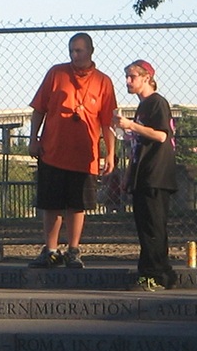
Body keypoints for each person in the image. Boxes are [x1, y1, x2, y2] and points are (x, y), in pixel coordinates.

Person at [27, 32, 118, 269]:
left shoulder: (103, 82)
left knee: (77, 205)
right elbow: (39, 109)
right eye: (71, 51)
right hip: (53, 149)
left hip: (84, 154)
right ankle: (51, 250)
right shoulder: (56, 73)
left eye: (79, 50)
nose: (74, 55)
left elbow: (107, 121)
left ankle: (73, 250)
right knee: (51, 204)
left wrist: (110, 153)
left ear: (90, 51)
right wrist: (33, 138)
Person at [116, 60, 177, 291]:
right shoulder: (143, 106)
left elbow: (161, 135)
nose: (128, 81)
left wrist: (131, 126)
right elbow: (138, 145)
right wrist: (128, 174)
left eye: (132, 76)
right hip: (143, 174)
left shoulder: (157, 103)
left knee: (153, 227)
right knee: (145, 226)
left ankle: (157, 274)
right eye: (127, 76)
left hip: (156, 174)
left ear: (146, 77)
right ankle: (152, 272)